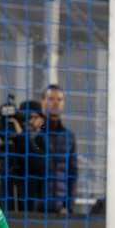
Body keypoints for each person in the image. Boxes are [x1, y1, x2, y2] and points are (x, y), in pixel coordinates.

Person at [0, 99, 47, 213]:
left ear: (41, 120)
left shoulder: (41, 140)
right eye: (25, 117)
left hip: (31, 203)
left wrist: (20, 135)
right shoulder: (14, 142)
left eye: (33, 117)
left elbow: (40, 162)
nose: (28, 121)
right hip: (10, 196)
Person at [40, 85, 78, 215]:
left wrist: (69, 206)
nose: (55, 102)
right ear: (42, 102)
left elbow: (72, 173)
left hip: (60, 208)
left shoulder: (69, 137)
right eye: (51, 98)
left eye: (59, 99)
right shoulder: (33, 134)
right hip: (36, 205)